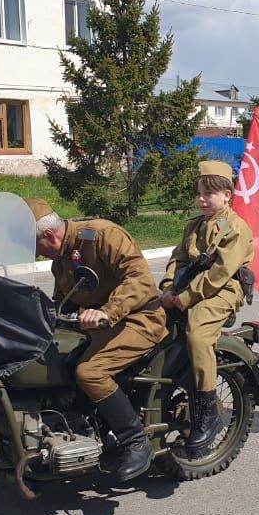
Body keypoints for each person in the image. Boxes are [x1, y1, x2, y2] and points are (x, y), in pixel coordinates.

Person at [28, 197, 167, 483]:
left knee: (90, 372)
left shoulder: (103, 235)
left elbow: (140, 281)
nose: (37, 256)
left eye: (37, 248)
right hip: (101, 325)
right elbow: (63, 301)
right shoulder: (61, 258)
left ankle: (135, 441)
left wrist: (106, 311)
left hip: (140, 319)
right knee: (53, 361)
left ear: (49, 236)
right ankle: (83, 433)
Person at [159, 161, 254, 452]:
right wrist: (167, 288)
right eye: (199, 193)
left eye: (209, 193)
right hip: (188, 288)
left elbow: (220, 273)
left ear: (227, 194)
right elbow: (178, 259)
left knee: (198, 334)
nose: (202, 199)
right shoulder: (194, 225)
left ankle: (208, 412)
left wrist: (185, 298)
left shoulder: (236, 228)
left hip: (223, 291)